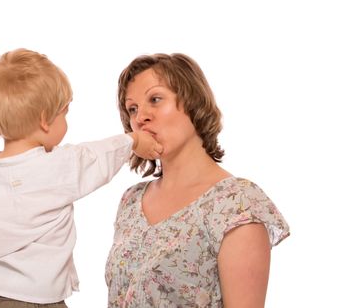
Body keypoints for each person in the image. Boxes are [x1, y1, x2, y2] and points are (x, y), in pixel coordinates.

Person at [0, 48, 163, 308]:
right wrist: (134, 140)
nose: (66, 121)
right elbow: (97, 158)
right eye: (64, 113)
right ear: (45, 121)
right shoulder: (58, 167)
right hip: (42, 300)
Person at [105, 53, 290, 307]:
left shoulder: (236, 203)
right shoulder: (131, 200)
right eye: (132, 109)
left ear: (193, 102)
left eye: (155, 99)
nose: (140, 118)